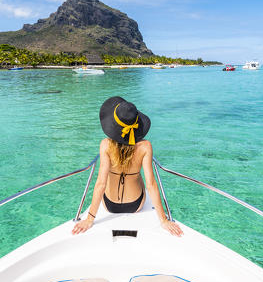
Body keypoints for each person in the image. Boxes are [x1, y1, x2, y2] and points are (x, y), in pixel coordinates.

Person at [72, 96, 183, 236]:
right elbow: (151, 185)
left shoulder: (105, 145)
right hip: (135, 205)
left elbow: (100, 183)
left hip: (110, 205)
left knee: (107, 179)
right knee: (140, 177)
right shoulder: (145, 146)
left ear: (113, 124)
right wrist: (163, 220)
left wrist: (89, 219)